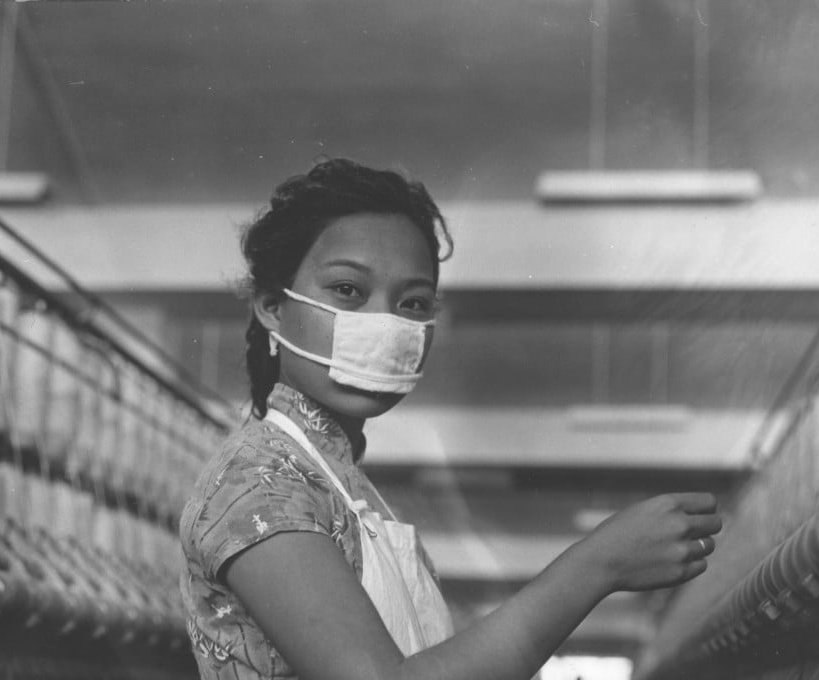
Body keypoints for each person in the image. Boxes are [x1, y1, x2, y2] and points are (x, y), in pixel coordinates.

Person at [178, 158, 723, 680]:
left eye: (412, 303)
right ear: (273, 305)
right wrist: (596, 565)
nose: (385, 324)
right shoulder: (258, 479)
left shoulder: (341, 485)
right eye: (348, 291)